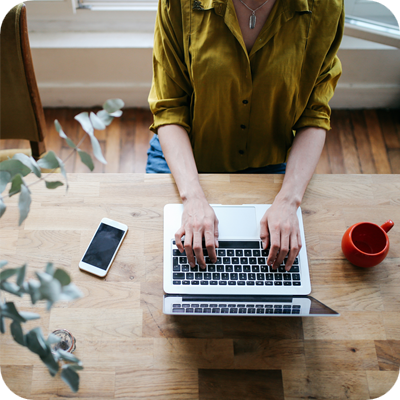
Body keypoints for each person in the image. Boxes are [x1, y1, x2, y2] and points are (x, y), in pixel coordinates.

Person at [147, 0, 344, 272]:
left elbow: (315, 113)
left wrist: (289, 201)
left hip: (270, 162)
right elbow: (170, 107)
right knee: (158, 267)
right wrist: (192, 199)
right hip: (185, 156)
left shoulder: (326, 6)